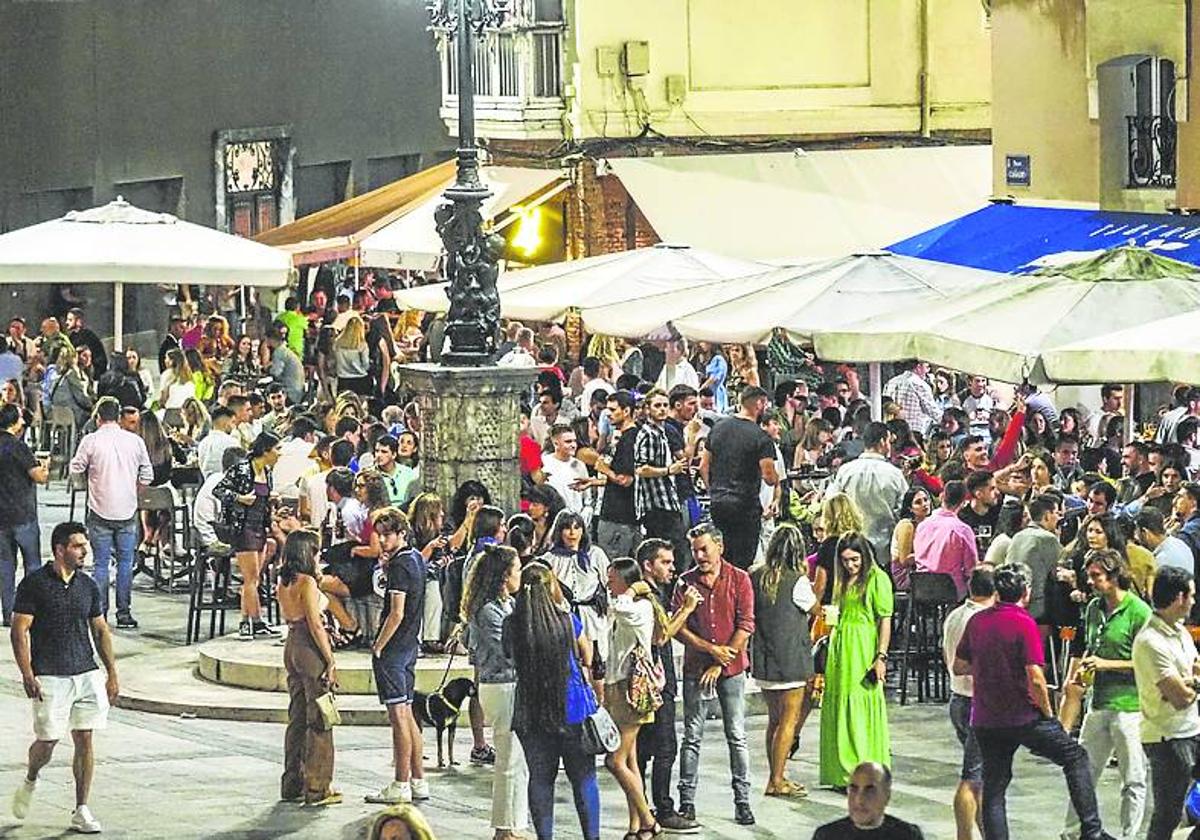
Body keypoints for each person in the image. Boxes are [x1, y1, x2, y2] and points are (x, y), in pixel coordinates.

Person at [953, 562, 1115, 840]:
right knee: (1075, 757)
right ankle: (1091, 829)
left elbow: (959, 666)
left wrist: (989, 663)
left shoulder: (977, 621)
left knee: (994, 788)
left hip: (986, 718)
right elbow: (1036, 678)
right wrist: (1049, 714)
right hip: (1022, 716)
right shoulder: (1023, 622)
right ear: (1026, 592)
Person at [10, 521, 119, 834]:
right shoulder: (34, 585)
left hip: (86, 672)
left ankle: (81, 809)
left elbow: (99, 629)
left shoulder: (88, 585)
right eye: (77, 546)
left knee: (85, 738)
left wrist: (111, 672)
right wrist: (27, 673)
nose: (85, 551)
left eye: (84, 545)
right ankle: (32, 776)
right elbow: (20, 630)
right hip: (51, 674)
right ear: (59, 550)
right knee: (48, 741)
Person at [506, 563, 601, 840]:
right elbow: (587, 655)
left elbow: (509, 657)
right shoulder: (568, 620)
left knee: (540, 780)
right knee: (584, 779)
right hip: (573, 710)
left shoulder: (513, 625)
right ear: (552, 587)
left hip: (531, 711)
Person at [672, 522, 756, 826]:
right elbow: (677, 628)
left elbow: (745, 624)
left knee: (736, 734)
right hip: (696, 668)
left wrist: (721, 661)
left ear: (719, 546)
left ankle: (743, 801)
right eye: (694, 550)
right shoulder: (685, 583)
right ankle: (687, 802)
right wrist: (709, 649)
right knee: (692, 736)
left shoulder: (740, 579)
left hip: (731, 669)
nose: (699, 555)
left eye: (704, 549)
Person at [1061, 549, 1150, 840]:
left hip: (1129, 706)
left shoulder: (1139, 612)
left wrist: (1105, 664)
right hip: (1098, 702)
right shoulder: (1094, 608)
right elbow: (1092, 646)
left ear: (1114, 577)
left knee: (1133, 777)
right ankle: (1073, 831)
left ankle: (1130, 834)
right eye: (1089, 576)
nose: (1091, 582)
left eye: (1097, 576)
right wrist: (1083, 669)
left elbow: (1147, 663)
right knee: (1083, 772)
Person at [634, 538, 702, 833]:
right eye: (665, 562)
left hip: (658, 681)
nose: (672, 568)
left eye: (672, 562)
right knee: (662, 748)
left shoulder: (655, 593)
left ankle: (644, 808)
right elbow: (660, 637)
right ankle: (661, 807)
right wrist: (686, 609)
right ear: (648, 565)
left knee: (648, 749)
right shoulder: (645, 596)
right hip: (653, 684)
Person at [69, 397, 153, 628]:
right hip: (127, 510)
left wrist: (88, 483)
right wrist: (133, 489)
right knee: (126, 563)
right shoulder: (135, 441)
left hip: (99, 509)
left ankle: (100, 614)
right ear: (118, 417)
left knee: (101, 564)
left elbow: (75, 468)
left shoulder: (91, 441)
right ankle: (124, 613)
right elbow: (148, 474)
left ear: (98, 417)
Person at [462, 544, 528, 840]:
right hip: (501, 685)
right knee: (508, 760)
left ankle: (516, 823)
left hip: (513, 684)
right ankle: (503, 829)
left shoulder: (507, 604)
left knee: (519, 761)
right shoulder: (488, 610)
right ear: (504, 575)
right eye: (517, 569)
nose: (520, 575)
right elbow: (506, 650)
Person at [819, 532, 894, 789]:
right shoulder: (843, 581)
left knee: (859, 706)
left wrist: (880, 657)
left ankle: (862, 769)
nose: (850, 565)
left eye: (854, 559)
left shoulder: (877, 579)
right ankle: (841, 770)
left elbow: (885, 619)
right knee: (840, 704)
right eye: (845, 560)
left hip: (862, 647)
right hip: (840, 648)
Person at [366, 508, 430, 806]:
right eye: (379, 534)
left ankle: (400, 782)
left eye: (387, 534)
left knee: (398, 718)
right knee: (408, 714)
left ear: (401, 533)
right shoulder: (416, 558)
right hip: (410, 645)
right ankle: (418, 779)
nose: (382, 539)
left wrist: (379, 645)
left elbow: (396, 612)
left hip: (394, 648)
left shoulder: (400, 566)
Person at [1132, 565, 1200, 840]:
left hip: (1192, 729)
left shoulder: (1181, 633)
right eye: (1191, 595)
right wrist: (1191, 684)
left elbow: (1194, 672)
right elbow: (1180, 697)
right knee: (1168, 814)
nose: (1194, 601)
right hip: (1167, 738)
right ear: (1178, 598)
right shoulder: (1150, 641)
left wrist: (1189, 682)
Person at [605, 557, 671, 839]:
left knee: (614, 761)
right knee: (631, 762)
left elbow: (620, 606)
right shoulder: (626, 607)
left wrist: (634, 590)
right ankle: (635, 825)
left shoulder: (639, 607)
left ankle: (648, 819)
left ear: (624, 579)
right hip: (615, 688)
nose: (608, 583)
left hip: (631, 691)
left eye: (612, 578)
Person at [749, 523, 816, 798]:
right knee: (789, 720)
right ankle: (777, 780)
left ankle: (775, 775)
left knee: (774, 720)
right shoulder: (797, 580)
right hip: (790, 659)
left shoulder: (755, 576)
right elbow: (815, 608)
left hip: (763, 658)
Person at [276, 530, 340, 807]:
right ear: (307, 553)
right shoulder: (307, 583)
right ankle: (318, 787)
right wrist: (330, 659)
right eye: (316, 552)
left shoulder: (283, 581)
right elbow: (315, 623)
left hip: (291, 645)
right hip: (308, 646)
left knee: (297, 716)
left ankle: (293, 782)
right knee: (320, 718)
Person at [941, 564, 995, 840]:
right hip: (978, 703)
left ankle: (987, 833)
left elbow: (945, 655)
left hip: (957, 699)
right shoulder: (985, 620)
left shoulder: (954, 616)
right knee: (973, 776)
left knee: (981, 774)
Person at [699, 385, 779, 570]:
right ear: (759, 404)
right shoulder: (760, 437)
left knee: (721, 558)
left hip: (718, 504)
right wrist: (777, 477)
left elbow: (703, 466)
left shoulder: (718, 428)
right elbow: (768, 476)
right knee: (742, 563)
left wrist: (713, 490)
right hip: (745, 506)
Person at [213, 432, 283, 640]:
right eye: (277, 449)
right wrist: (240, 498)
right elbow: (219, 490)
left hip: (259, 526)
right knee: (251, 578)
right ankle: (258, 621)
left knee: (253, 578)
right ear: (266, 450)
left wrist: (270, 499)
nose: (280, 454)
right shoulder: (242, 469)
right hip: (243, 528)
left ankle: (246, 622)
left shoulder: (267, 472)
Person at [540, 510, 610, 694]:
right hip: (564, 617)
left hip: (592, 615)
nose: (572, 533)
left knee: (597, 664)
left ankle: (599, 709)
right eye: (567, 528)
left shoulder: (595, 554)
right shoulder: (549, 559)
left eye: (577, 528)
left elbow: (608, 584)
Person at [823, 422, 907, 570]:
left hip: (851, 548)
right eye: (888, 441)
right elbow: (904, 510)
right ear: (882, 441)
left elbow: (831, 502)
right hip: (884, 550)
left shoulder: (845, 471)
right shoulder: (895, 474)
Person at [0, 403, 49, 626]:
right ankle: (30, 611)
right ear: (15, 422)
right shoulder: (18, 448)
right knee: (32, 566)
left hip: (1, 518)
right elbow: (38, 476)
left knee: (5, 567)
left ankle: (9, 614)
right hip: (23, 516)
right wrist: (45, 467)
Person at [634, 390, 688, 569]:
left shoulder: (662, 432)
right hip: (657, 506)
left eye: (665, 405)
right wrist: (668, 470)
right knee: (672, 554)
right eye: (657, 405)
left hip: (667, 501)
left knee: (676, 553)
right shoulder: (648, 434)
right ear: (647, 409)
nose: (662, 409)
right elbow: (641, 469)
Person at [812, 762, 925, 840]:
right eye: (854, 789)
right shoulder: (827, 836)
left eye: (869, 790)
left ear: (886, 795)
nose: (859, 799)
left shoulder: (907, 836)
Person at [913, 479, 979, 599]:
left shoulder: (922, 526)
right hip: (951, 591)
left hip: (921, 588)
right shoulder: (963, 530)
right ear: (964, 503)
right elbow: (971, 569)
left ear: (942, 497)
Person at [593, 390, 639, 560]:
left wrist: (604, 469)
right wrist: (592, 482)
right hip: (623, 516)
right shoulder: (626, 437)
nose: (608, 415)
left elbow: (626, 480)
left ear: (626, 411)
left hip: (619, 517)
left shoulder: (629, 440)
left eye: (613, 410)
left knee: (614, 566)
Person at [889, 486, 933, 591]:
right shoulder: (906, 525)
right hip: (905, 573)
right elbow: (904, 560)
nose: (924, 504)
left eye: (926, 500)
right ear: (910, 508)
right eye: (918, 502)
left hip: (922, 569)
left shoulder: (930, 522)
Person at [882, 359, 941, 437]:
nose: (927, 371)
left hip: (891, 434)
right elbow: (934, 413)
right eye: (926, 367)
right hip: (912, 435)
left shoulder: (891, 382)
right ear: (918, 366)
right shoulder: (919, 384)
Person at [1134, 507, 1194, 572]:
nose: (1136, 538)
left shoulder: (1159, 563)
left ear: (1145, 533)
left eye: (1137, 534)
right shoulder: (1182, 545)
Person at [65, 308, 107, 377]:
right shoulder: (72, 337)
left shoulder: (89, 336)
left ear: (78, 321)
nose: (67, 322)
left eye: (70, 320)